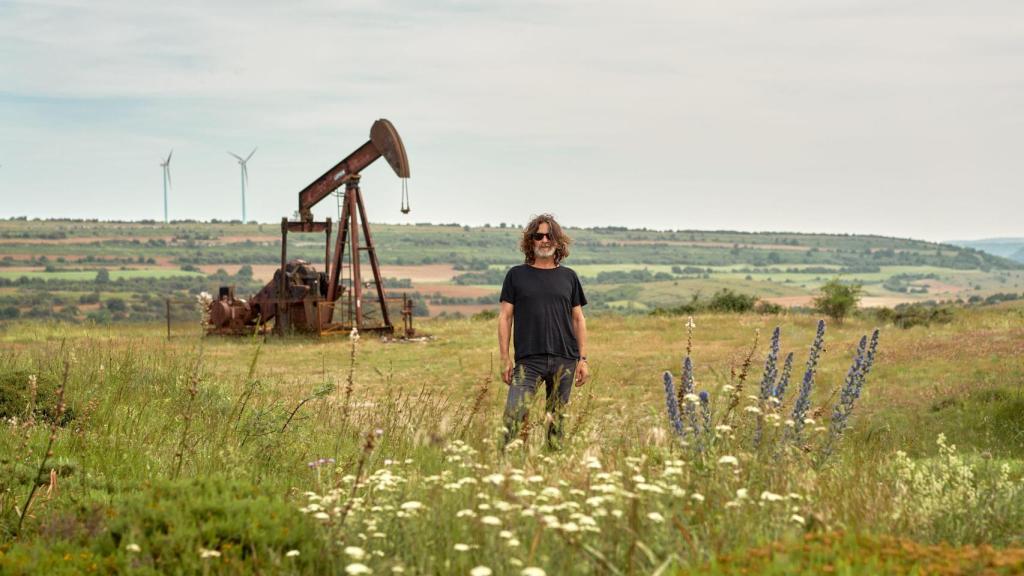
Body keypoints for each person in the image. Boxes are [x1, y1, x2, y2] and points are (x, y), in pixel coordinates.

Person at [498, 214, 588, 450]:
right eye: (539, 236)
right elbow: (505, 317)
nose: (544, 240)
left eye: (550, 235)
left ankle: (553, 467)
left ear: (558, 242)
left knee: (556, 422)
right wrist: (505, 358)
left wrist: (583, 359)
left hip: (565, 359)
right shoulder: (516, 275)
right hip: (529, 361)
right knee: (513, 416)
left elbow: (578, 319)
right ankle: (507, 469)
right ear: (531, 241)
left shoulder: (569, 277)